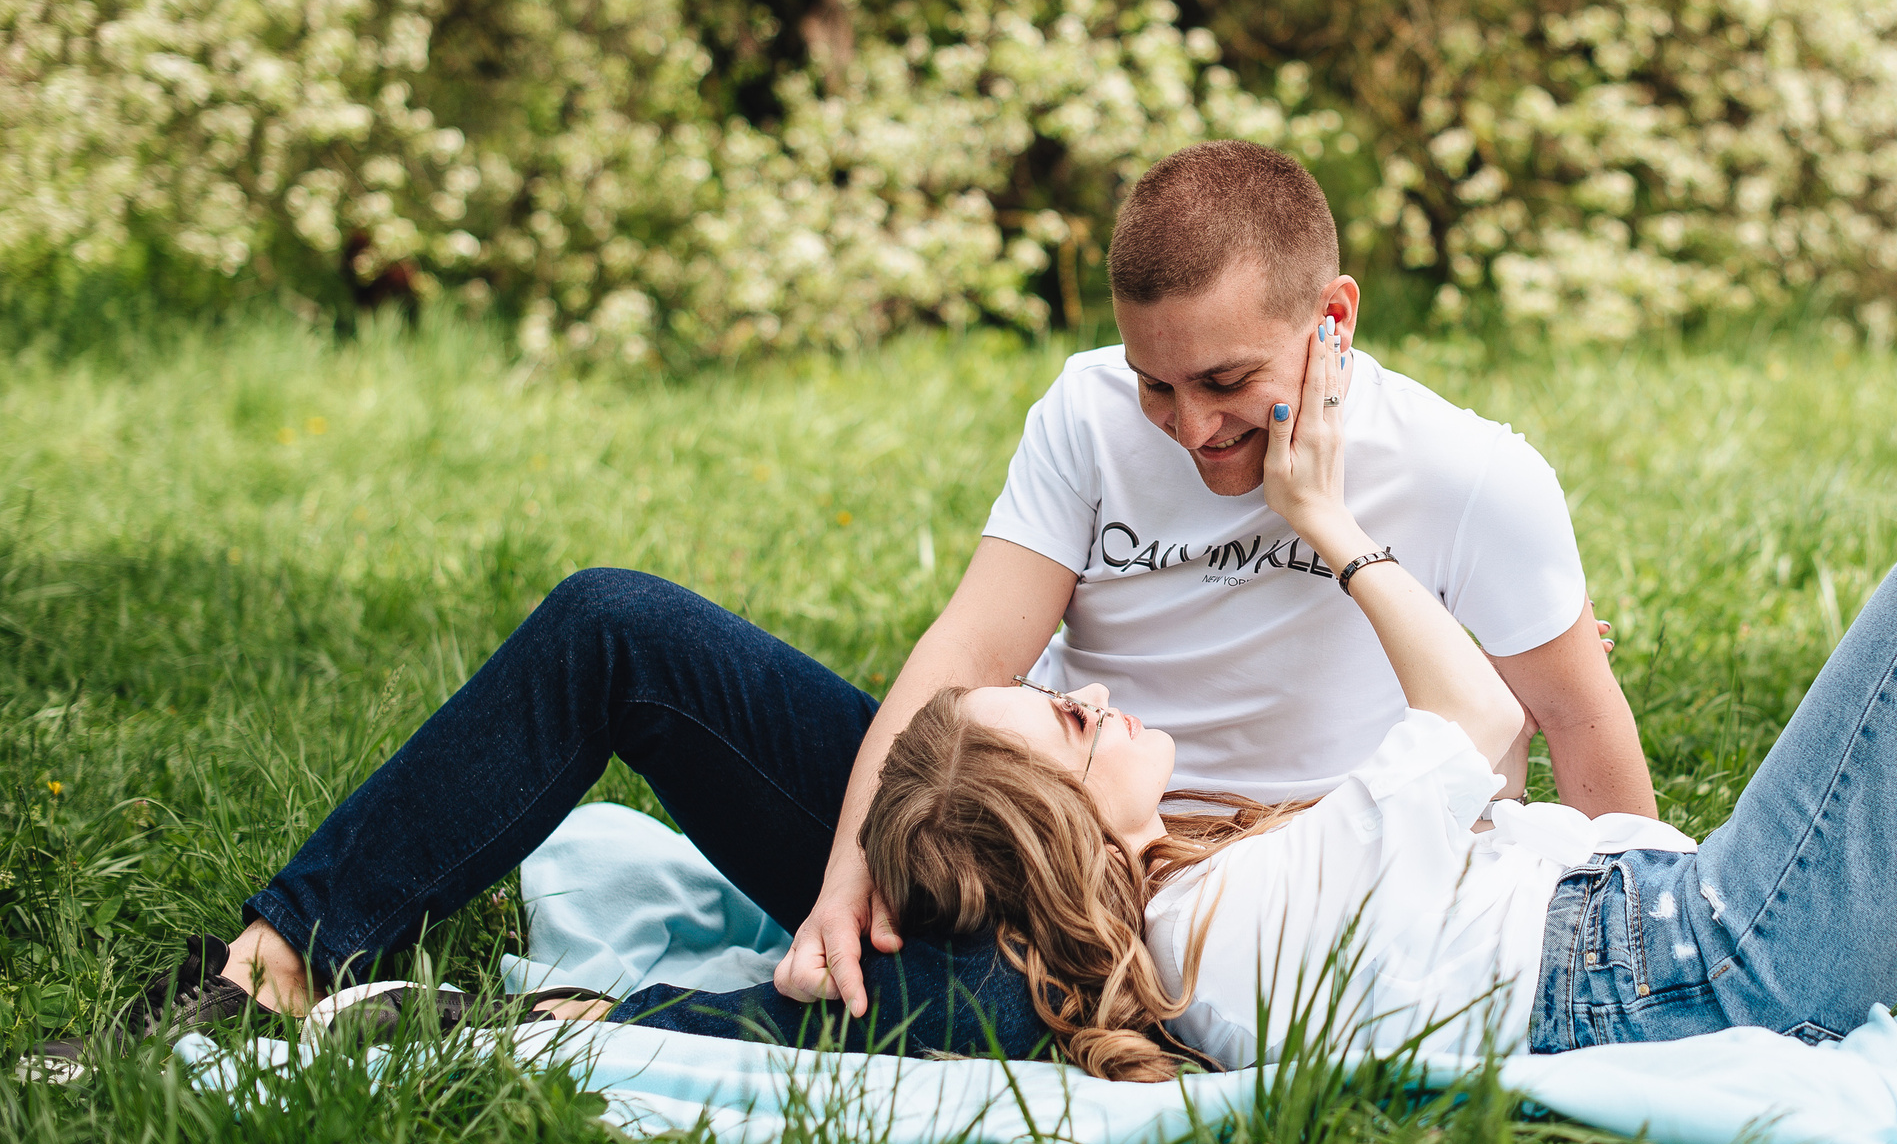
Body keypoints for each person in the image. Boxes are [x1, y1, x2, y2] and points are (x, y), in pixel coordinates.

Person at [43, 140, 1646, 1060]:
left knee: (1004, 1013)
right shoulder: (1091, 417)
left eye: (1226, 383)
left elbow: (1589, 751)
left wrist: (1661, 973)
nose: (1191, 427)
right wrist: (838, 874)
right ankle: (275, 966)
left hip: (1209, 925)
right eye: (1159, 387)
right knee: (615, 623)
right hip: (1020, 818)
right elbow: (964, 659)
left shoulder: (1471, 475)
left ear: (1332, 321)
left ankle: (564, 1029)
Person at [855, 321, 1897, 1079]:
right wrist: (1330, 526)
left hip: (1684, 924)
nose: (1088, 698)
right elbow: (1482, 724)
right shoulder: (1217, 925)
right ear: (1063, 832)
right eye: (1062, 728)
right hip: (1709, 957)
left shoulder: (1202, 888)